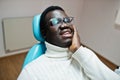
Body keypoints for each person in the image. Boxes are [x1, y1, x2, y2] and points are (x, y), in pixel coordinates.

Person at [17, 6, 120, 80]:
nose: (64, 25)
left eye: (67, 20)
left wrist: (78, 50)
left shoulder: (84, 56)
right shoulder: (31, 73)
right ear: (44, 33)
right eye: (55, 22)